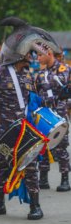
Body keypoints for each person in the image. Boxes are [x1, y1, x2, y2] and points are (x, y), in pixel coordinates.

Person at [0, 17, 59, 220]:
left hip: (23, 130)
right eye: (27, 55)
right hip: (2, 130)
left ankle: (35, 206)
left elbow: (34, 101)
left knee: (30, 167)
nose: (30, 58)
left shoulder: (27, 75)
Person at [36, 48, 70, 192]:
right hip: (45, 114)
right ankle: (43, 178)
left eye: (40, 55)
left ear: (49, 54)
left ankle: (65, 179)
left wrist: (46, 78)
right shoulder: (40, 74)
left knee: (61, 147)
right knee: (43, 146)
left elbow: (62, 83)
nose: (38, 59)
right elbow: (37, 91)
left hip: (59, 113)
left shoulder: (63, 69)